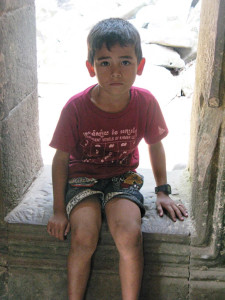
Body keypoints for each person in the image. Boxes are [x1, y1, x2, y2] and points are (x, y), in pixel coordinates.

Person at [47, 18, 188, 300]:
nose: (115, 72)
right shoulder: (76, 108)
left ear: (140, 65)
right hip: (83, 179)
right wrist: (59, 210)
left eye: (125, 62)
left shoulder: (145, 102)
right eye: (104, 62)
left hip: (123, 178)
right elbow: (60, 160)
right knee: (84, 236)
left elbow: (155, 146)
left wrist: (162, 191)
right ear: (91, 67)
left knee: (129, 235)